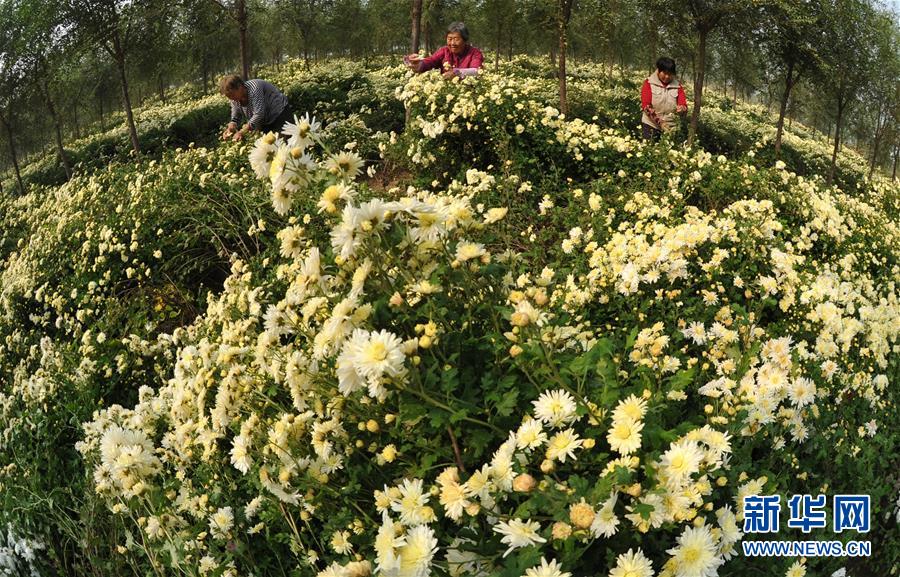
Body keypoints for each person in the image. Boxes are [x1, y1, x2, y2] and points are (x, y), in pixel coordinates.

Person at [220, 75, 292, 142]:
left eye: (232, 95)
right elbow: (236, 114)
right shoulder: (234, 99)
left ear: (239, 86)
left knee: (286, 143)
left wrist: (242, 131)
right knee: (269, 147)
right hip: (265, 122)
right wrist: (232, 125)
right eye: (228, 97)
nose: (231, 98)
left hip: (280, 114)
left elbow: (259, 113)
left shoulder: (254, 88)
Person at [405, 22, 484, 79]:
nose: (452, 43)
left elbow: (476, 71)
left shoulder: (474, 53)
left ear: (465, 40)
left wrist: (456, 73)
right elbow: (431, 61)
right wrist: (417, 63)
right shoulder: (444, 51)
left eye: (456, 39)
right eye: (449, 39)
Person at [640, 57, 688, 141]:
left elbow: (683, 104)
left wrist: (682, 109)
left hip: (670, 127)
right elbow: (646, 106)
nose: (667, 77)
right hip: (651, 124)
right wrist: (660, 122)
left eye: (670, 74)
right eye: (664, 73)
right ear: (658, 70)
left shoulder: (678, 86)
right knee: (649, 149)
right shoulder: (649, 83)